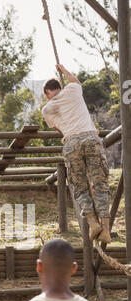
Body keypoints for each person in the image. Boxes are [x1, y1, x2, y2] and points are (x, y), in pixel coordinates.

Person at [42, 65, 111, 244]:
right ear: (60, 86)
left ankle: (92, 222)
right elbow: (75, 80)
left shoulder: (47, 109)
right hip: (91, 137)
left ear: (48, 93)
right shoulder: (73, 89)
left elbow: (59, 128)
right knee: (100, 183)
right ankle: (106, 228)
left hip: (71, 142)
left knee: (79, 186)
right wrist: (62, 69)